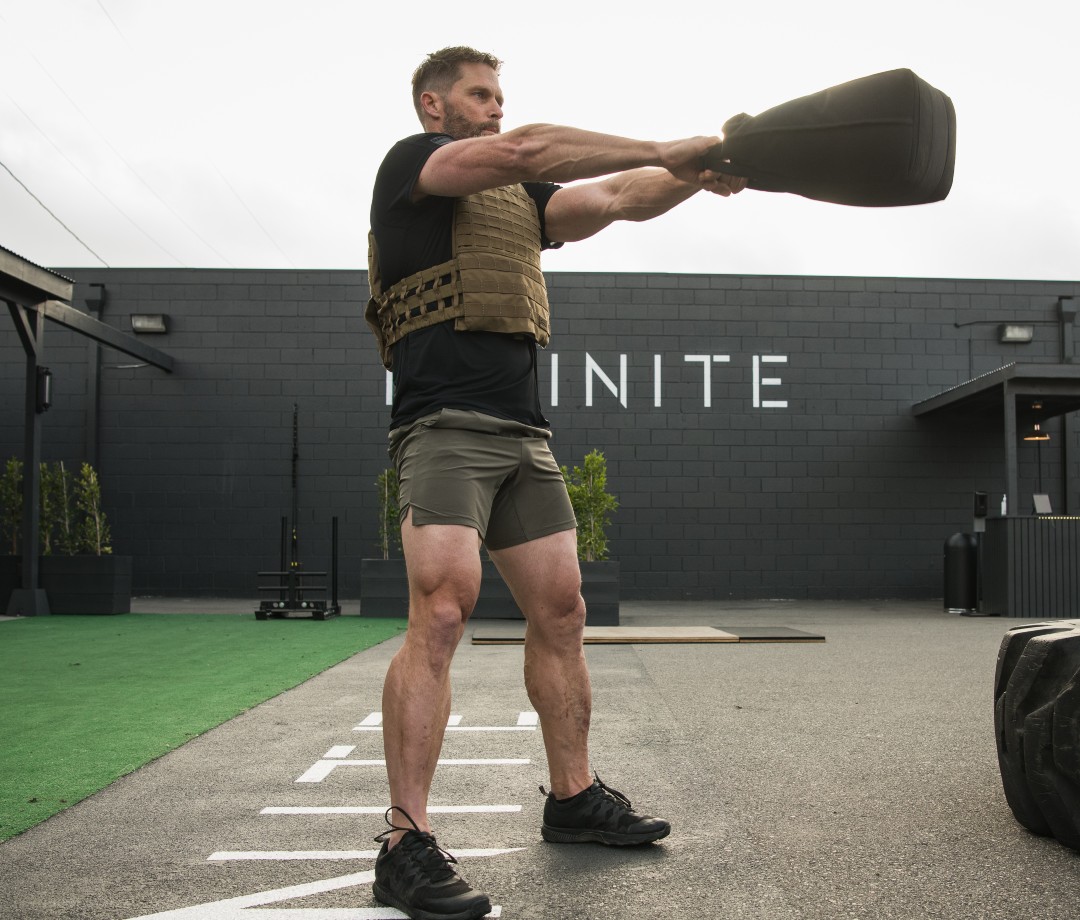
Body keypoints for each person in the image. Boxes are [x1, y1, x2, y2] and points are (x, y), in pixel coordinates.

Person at [366, 45, 745, 920]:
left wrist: (703, 169)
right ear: (435, 107)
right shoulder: (412, 167)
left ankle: (572, 799)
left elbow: (616, 196)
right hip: (443, 427)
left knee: (563, 611)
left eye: (501, 96)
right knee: (445, 608)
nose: (496, 108)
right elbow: (530, 148)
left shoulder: (521, 203)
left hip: (523, 435)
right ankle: (404, 841)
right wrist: (663, 141)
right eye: (479, 95)